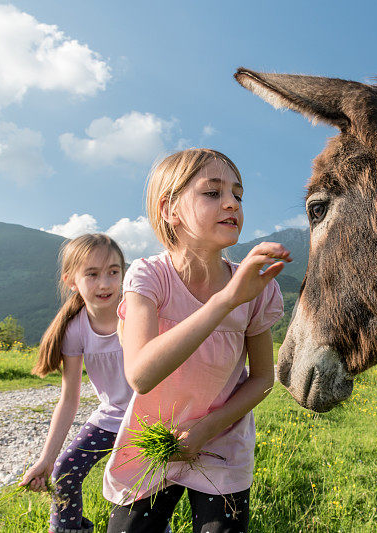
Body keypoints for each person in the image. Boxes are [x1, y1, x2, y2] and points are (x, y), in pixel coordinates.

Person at [103, 148, 288, 532]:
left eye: (238, 194)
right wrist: (225, 300)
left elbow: (262, 379)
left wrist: (208, 427)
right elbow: (140, 374)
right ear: (169, 209)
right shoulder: (149, 277)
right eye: (212, 192)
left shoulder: (256, 288)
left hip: (222, 442)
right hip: (153, 436)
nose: (231, 203)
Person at [20, 234, 133, 533]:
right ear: (72, 281)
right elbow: (69, 400)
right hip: (111, 418)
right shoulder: (75, 329)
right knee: (65, 471)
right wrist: (46, 459)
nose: (105, 283)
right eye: (92, 274)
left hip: (149, 418)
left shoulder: (138, 311)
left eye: (113, 271)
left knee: (141, 490)